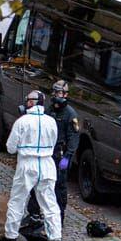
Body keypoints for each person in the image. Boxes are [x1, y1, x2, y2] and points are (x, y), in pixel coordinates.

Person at [1, 90, 62, 241]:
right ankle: (55, 237)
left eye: (28, 99)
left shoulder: (22, 121)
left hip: (27, 163)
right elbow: (55, 142)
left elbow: (10, 148)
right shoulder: (51, 121)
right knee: (49, 202)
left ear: (32, 102)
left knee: (17, 200)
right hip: (46, 163)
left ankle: (11, 235)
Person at [48, 80, 77, 216]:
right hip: (48, 152)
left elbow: (73, 139)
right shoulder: (50, 109)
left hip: (61, 154)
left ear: (65, 94)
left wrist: (67, 158)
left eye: (60, 92)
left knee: (60, 185)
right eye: (55, 92)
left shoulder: (70, 114)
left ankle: (60, 214)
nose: (57, 95)